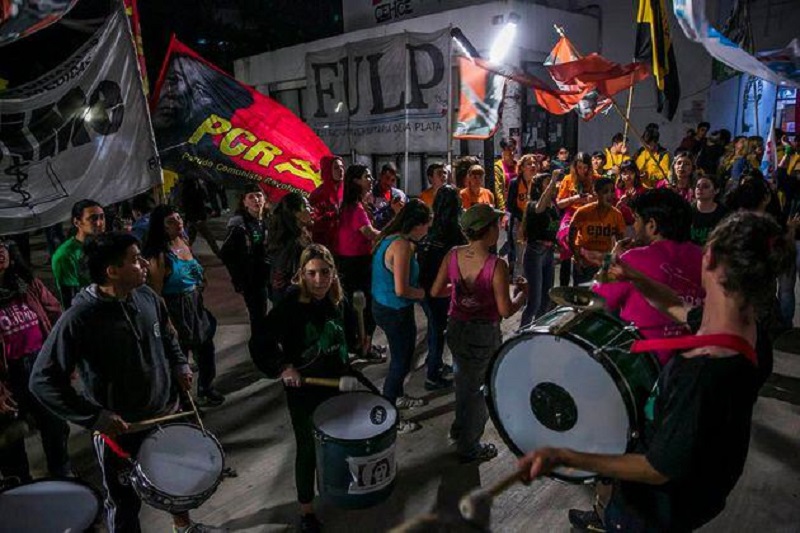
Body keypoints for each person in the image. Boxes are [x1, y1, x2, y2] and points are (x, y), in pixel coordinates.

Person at [522, 211, 795, 532]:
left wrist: (567, 457)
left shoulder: (702, 368)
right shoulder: (749, 334)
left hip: (655, 510)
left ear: (709, 259)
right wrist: (634, 276)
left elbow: (657, 468)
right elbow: (679, 307)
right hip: (701, 491)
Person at [29, 232, 213, 533]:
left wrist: (179, 363)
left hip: (165, 413)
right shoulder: (80, 318)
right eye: (135, 259)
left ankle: (184, 527)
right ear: (112, 271)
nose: (143, 263)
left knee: (177, 481)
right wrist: (95, 417)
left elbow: (168, 335)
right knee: (124, 502)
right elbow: (42, 381)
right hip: (121, 432)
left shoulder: (147, 296)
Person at [251, 244, 361, 533]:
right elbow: (260, 342)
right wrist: (283, 367)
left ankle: (335, 486)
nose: (319, 280)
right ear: (301, 274)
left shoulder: (339, 299)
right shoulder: (289, 304)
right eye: (311, 273)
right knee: (308, 448)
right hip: (305, 390)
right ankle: (306, 510)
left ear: (333, 273)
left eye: (325, 272)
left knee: (337, 440)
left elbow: (350, 335)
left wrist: (360, 337)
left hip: (337, 383)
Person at [431, 204, 526, 462]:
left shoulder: (453, 255)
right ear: (487, 231)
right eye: (496, 225)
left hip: (456, 326)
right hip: (483, 333)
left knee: (463, 382)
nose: (499, 229)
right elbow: (505, 310)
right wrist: (521, 296)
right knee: (480, 391)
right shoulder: (496, 265)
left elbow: (436, 290)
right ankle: (469, 446)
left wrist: (460, 294)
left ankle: (459, 428)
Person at [594, 189, 705, 365]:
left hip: (645, 366)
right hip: (695, 365)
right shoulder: (705, 258)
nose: (634, 226)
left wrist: (611, 258)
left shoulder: (633, 259)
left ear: (651, 225)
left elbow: (597, 300)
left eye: (637, 219)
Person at [0, 240, 71, 481]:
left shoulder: (27, 283)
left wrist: (62, 358)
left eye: (1, 246)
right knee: (11, 438)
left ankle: (62, 474)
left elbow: (56, 314)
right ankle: (19, 485)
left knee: (55, 425)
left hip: (40, 365)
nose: (0, 252)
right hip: (8, 376)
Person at [144, 205, 225, 407]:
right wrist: (168, 321)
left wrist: (200, 280)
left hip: (195, 303)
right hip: (175, 307)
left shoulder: (184, 241)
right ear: (160, 227)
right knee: (180, 355)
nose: (178, 223)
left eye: (179, 218)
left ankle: (206, 387)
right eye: (171, 221)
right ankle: (184, 401)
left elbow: (193, 268)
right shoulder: (159, 255)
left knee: (206, 347)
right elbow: (156, 292)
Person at [372, 200, 432, 433]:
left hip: (386, 307)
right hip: (394, 311)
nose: (428, 230)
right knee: (400, 362)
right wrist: (425, 293)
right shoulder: (402, 246)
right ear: (416, 225)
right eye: (426, 224)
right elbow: (402, 289)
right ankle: (390, 417)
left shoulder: (391, 238)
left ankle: (397, 397)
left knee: (401, 357)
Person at [416, 186, 465, 390]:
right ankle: (432, 376)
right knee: (439, 332)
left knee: (434, 329)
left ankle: (433, 364)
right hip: (441, 288)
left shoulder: (430, 226)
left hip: (423, 287)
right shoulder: (454, 232)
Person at [335, 165, 382, 360]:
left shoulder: (348, 205)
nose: (371, 179)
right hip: (358, 263)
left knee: (350, 307)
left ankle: (356, 343)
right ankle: (365, 346)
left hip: (346, 261)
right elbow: (370, 234)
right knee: (370, 305)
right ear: (355, 181)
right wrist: (395, 231)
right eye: (366, 176)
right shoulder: (355, 209)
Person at [220, 184, 270, 338]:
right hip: (252, 279)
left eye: (259, 195)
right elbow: (226, 254)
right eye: (251, 197)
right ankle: (260, 351)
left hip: (268, 275)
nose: (256, 199)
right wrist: (239, 279)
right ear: (244, 202)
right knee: (258, 317)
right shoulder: (239, 225)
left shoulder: (267, 220)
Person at [568, 177, 626, 285]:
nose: (610, 195)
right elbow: (571, 236)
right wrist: (577, 257)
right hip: (584, 264)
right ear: (596, 193)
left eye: (612, 191)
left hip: (604, 264)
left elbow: (620, 242)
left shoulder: (617, 215)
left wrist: (610, 264)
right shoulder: (582, 212)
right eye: (605, 192)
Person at [519, 173, 559, 326]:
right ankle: (523, 332)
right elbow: (539, 208)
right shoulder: (533, 205)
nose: (552, 186)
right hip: (535, 252)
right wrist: (553, 180)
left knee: (546, 299)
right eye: (547, 183)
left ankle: (536, 331)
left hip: (548, 253)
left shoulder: (553, 205)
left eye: (552, 183)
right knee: (534, 302)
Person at [52, 199, 105, 308]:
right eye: (93, 218)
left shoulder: (102, 243)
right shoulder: (65, 255)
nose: (100, 223)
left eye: (102, 217)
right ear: (77, 222)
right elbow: (70, 297)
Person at [556, 153, 596, 287]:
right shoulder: (568, 180)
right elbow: (560, 203)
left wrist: (593, 199)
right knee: (567, 241)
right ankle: (563, 288)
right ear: (574, 167)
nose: (582, 171)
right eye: (579, 167)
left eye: (585, 168)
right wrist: (575, 198)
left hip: (589, 215)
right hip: (571, 214)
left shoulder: (596, 179)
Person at [266, 193, 313, 304]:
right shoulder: (287, 237)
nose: (310, 209)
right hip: (288, 286)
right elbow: (282, 264)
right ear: (294, 212)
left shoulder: (300, 230)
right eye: (305, 207)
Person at [506, 154, 541, 276]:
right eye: (529, 164)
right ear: (521, 168)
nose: (533, 166)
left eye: (534, 163)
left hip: (535, 224)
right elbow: (510, 206)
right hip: (519, 222)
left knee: (534, 255)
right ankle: (519, 284)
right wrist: (524, 218)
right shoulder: (515, 183)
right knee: (520, 256)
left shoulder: (539, 183)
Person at [176, 174, 221, 257]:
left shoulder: (196, 189)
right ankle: (219, 254)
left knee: (190, 238)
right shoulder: (190, 192)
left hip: (195, 218)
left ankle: (182, 254)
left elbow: (204, 199)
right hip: (197, 218)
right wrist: (196, 218)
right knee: (209, 237)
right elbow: (192, 206)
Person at [308, 155, 345, 250]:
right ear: (328, 170)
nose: (341, 170)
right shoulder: (317, 195)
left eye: (342, 167)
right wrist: (332, 215)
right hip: (325, 245)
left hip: (345, 244)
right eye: (336, 168)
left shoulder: (346, 191)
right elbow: (312, 221)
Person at [691, 176, 729, 246]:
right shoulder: (687, 210)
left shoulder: (724, 213)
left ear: (716, 190)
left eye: (705, 186)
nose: (700, 189)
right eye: (697, 186)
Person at [371, 163, 407, 230]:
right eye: (387, 178)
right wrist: (392, 211)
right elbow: (374, 223)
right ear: (380, 176)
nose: (389, 182)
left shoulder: (400, 194)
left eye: (393, 180)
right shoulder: (370, 197)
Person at [493, 136, 518, 211]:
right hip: (506, 204)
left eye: (513, 149)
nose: (512, 153)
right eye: (509, 150)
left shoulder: (518, 165)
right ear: (503, 150)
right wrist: (502, 208)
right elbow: (498, 190)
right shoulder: (498, 167)